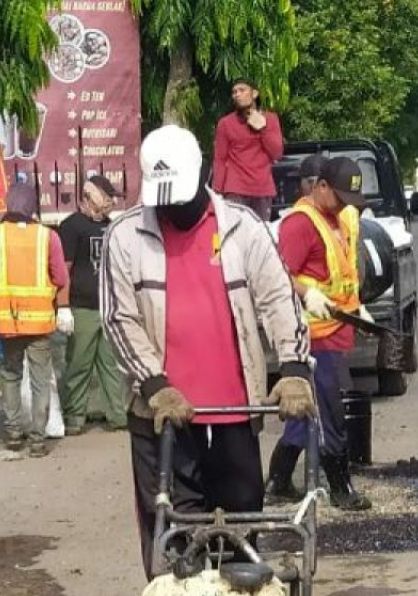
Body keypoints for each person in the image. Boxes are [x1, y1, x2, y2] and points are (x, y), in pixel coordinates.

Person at [101, 125, 317, 570]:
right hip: (162, 417)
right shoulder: (124, 236)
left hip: (233, 412)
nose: (171, 208)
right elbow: (119, 319)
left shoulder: (243, 228)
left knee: (239, 534)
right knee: (172, 539)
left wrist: (294, 368)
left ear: (202, 175)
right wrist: (155, 385)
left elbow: (279, 299)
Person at [267, 156, 374, 511]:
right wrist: (307, 293)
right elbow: (277, 275)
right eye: (340, 197)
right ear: (321, 187)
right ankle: (341, 487)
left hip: (336, 329)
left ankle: (279, 480)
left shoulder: (338, 217)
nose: (345, 205)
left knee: (305, 412)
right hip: (311, 336)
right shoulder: (299, 225)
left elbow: (344, 272)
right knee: (330, 413)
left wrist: (357, 307)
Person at [0, 181, 71, 458]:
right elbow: (61, 278)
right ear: (33, 207)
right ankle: (38, 440)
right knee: (40, 380)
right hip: (40, 322)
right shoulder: (48, 237)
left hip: (9, 321)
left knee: (11, 375)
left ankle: (13, 435)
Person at [54, 174, 126, 434]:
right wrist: (63, 307)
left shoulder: (111, 227)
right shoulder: (71, 227)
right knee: (79, 364)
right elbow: (64, 270)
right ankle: (74, 417)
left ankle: (118, 416)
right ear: (90, 197)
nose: (110, 202)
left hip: (109, 308)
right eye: (106, 197)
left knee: (112, 365)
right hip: (82, 308)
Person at [212, 78, 284, 221]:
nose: (237, 95)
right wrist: (217, 192)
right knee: (236, 233)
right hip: (235, 190)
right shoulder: (225, 123)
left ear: (254, 94)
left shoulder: (271, 119)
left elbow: (276, 153)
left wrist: (263, 128)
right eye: (234, 92)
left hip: (262, 190)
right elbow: (220, 159)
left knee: (260, 233)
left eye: (242, 90)